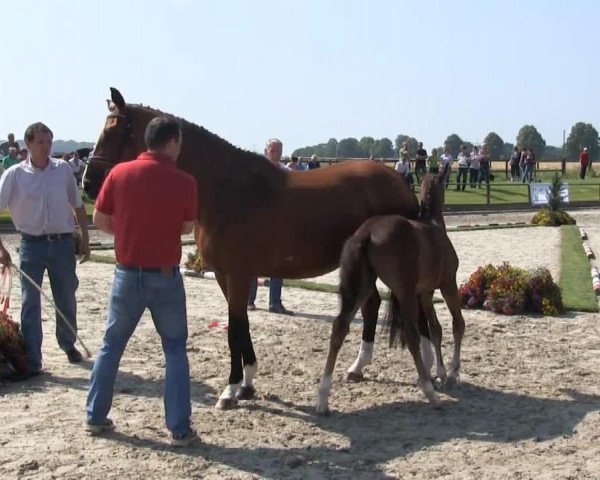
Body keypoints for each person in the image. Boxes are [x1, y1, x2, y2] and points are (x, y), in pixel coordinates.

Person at [86, 117, 198, 446]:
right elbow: (187, 227)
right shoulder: (185, 181)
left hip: (126, 272)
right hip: (164, 275)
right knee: (175, 350)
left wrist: (129, 232)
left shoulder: (119, 173)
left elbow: (100, 219)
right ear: (172, 142)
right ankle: (178, 428)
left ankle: (95, 415)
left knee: (111, 346)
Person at [0, 122, 90, 377]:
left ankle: (67, 342)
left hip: (62, 243)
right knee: (31, 303)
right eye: (41, 142)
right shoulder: (15, 175)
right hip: (31, 244)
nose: (46, 146)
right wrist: (2, 249)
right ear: (28, 144)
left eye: (49, 141)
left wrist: (84, 238)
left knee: (66, 297)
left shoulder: (62, 170)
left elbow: (78, 206)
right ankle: (33, 359)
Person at [247, 138, 293, 315]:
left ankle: (275, 302)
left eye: (279, 150)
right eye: (273, 150)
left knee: (278, 264)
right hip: (258, 225)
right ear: (267, 151)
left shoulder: (287, 172)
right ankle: (249, 300)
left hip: (279, 225)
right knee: (252, 264)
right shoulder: (257, 173)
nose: (276, 153)